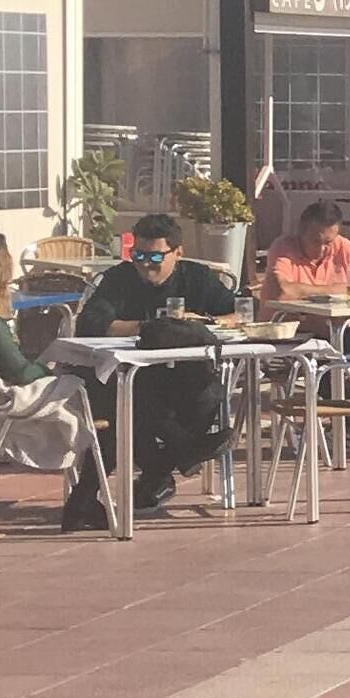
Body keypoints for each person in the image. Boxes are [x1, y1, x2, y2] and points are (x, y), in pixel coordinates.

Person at [70, 213, 234, 524]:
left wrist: (202, 323)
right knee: (134, 398)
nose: (145, 264)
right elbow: (91, 324)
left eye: (155, 256)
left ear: (178, 253)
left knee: (211, 393)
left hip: (184, 379)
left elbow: (239, 310)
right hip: (126, 378)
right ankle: (179, 455)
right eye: (139, 255)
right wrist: (150, 328)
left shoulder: (196, 278)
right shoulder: (120, 279)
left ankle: (158, 473)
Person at [0, 226, 103, 518]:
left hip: (1, 395)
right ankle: (87, 501)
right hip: (10, 403)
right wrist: (53, 373)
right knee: (100, 399)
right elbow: (21, 372)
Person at [258, 199, 350, 305]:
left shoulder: (343, 246)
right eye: (315, 241)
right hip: (289, 327)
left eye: (328, 243)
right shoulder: (283, 248)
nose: (321, 249)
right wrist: (342, 290)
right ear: (301, 231)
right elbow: (282, 291)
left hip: (333, 327)